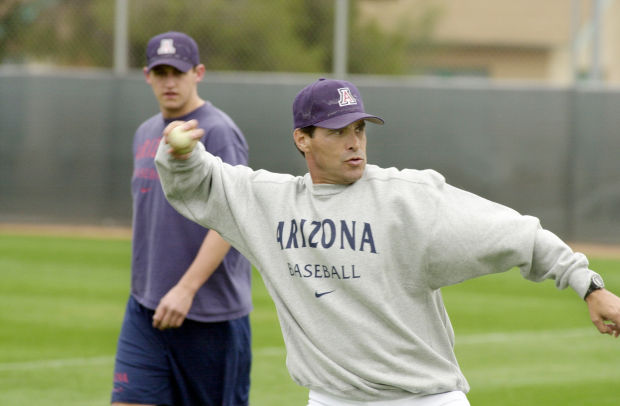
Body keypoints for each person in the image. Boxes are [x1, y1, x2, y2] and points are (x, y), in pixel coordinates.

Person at [154, 78, 620, 406]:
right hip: (330, 399)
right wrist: (179, 151)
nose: (355, 141)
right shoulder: (270, 204)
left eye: (359, 128)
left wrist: (589, 285)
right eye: (338, 132)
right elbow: (204, 182)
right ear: (303, 139)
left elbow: (517, 233)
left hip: (423, 398)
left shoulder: (410, 200)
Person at [110, 31, 252, 406]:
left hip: (209, 314)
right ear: (147, 76)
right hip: (144, 307)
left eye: (178, 71)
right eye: (161, 73)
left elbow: (233, 218)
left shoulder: (218, 131)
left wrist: (186, 288)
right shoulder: (145, 132)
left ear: (198, 72)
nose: (169, 81)